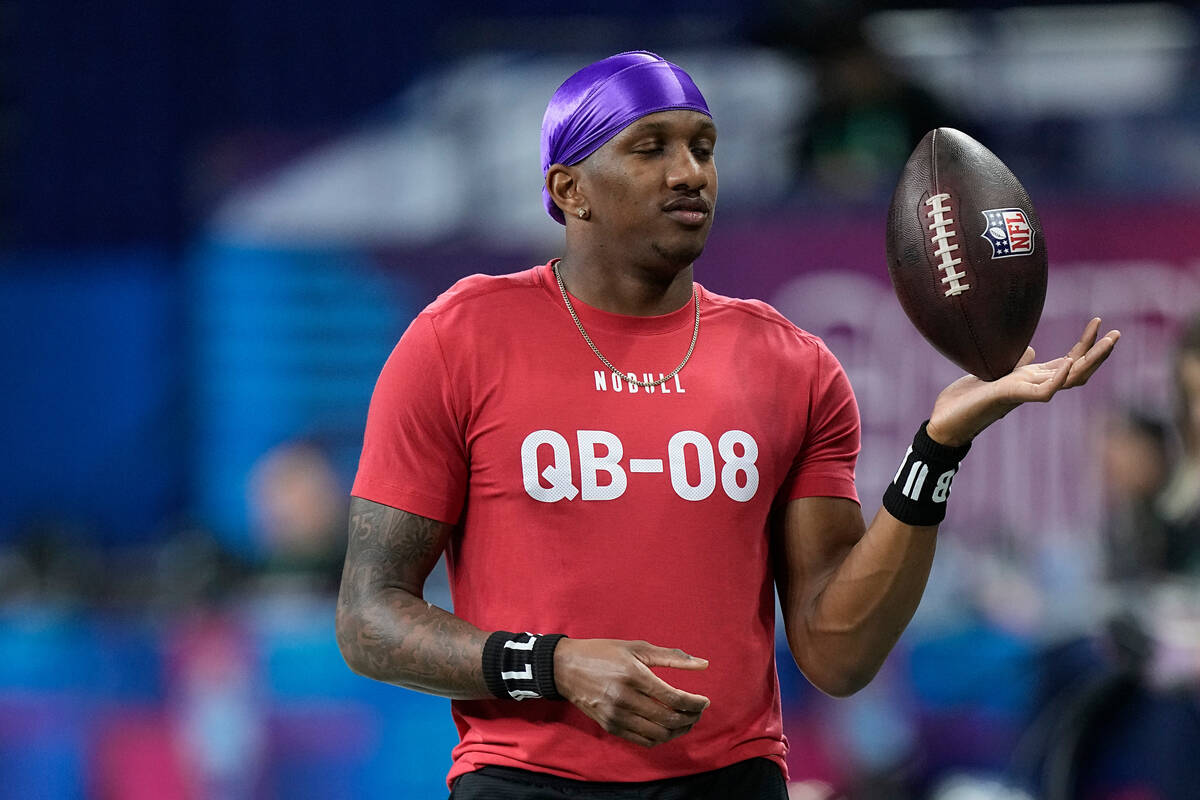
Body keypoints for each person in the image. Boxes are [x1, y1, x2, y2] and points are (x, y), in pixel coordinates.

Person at [335, 51, 1120, 799]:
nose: (690, 172)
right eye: (651, 148)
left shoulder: (790, 363)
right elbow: (369, 618)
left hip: (732, 782)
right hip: (524, 782)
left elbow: (838, 653)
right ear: (569, 189)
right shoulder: (461, 338)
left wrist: (938, 447)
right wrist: (552, 665)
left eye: (704, 148)